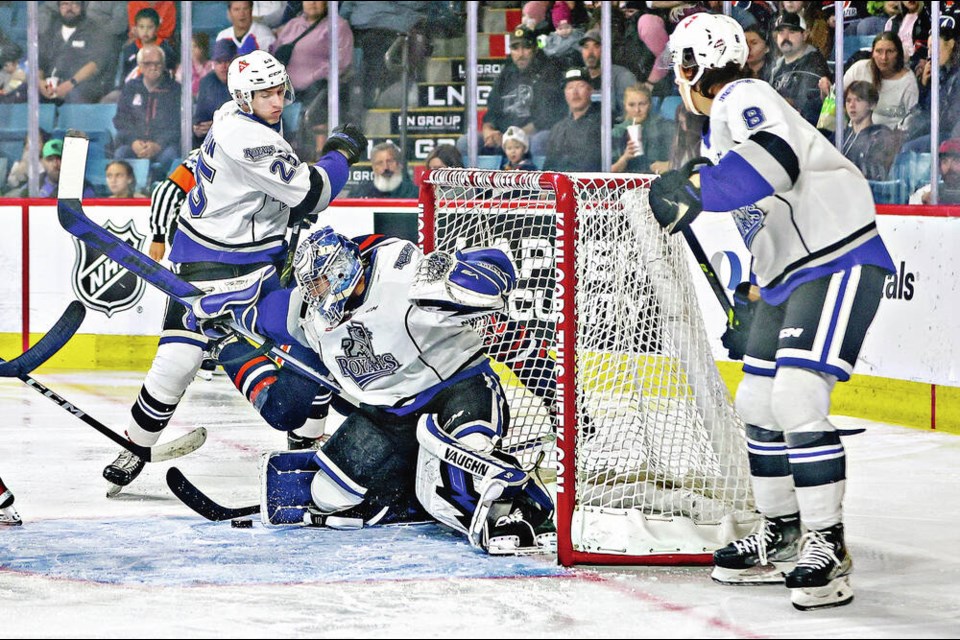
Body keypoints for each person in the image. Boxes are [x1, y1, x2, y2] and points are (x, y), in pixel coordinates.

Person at [649, 13, 895, 611]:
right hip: (789, 277)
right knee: (756, 402)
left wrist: (701, 191)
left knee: (794, 398)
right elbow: (767, 215)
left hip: (838, 258)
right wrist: (754, 294)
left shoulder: (742, 95)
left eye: (677, 69)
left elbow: (777, 160)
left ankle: (827, 545)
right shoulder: (719, 133)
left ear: (692, 67)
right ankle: (783, 533)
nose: (675, 82)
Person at [101, 50, 368, 495]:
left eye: (279, 89)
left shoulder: (231, 112)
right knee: (177, 363)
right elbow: (311, 195)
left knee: (310, 336)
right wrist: (341, 154)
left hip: (255, 262)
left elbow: (196, 162)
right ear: (245, 97)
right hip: (210, 266)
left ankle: (308, 438)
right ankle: (136, 445)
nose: (276, 100)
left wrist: (179, 182)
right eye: (264, 93)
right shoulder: (251, 138)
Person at [194, 227, 555, 554]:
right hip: (389, 416)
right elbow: (258, 313)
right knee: (325, 495)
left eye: (318, 283)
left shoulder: (407, 281)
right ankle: (416, 493)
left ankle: (526, 503)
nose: (312, 294)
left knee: (470, 465)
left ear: (340, 271)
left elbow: (494, 277)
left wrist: (479, 274)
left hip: (456, 388)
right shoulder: (310, 313)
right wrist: (217, 310)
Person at [467, 25, 565, 158]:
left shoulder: (548, 72)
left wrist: (512, 137)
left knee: (539, 141)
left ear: (535, 49)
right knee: (465, 142)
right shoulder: (506, 73)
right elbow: (491, 112)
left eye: (526, 47)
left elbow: (544, 119)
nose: (520, 54)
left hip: (531, 134)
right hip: (503, 136)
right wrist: (488, 132)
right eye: (515, 48)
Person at [113, 44, 182, 182]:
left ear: (163, 65)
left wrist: (158, 145)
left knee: (171, 156)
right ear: (139, 65)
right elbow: (121, 120)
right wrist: (133, 142)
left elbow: (178, 125)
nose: (153, 67)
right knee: (121, 154)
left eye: (157, 63)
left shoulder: (175, 90)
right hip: (135, 145)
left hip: (164, 146)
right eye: (148, 63)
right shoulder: (130, 88)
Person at [38, 0, 117, 104]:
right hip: (52, 84)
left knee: (75, 95)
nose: (69, 8)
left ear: (82, 6)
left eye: (74, 3)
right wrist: (39, 82)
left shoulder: (94, 30)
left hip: (81, 84)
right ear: (59, 7)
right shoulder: (51, 29)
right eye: (64, 4)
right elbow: (40, 62)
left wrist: (71, 83)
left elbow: (94, 64)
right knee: (25, 92)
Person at [843, 32, 919, 130]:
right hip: (855, 134)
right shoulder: (859, 68)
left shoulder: (908, 81)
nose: (884, 57)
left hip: (888, 139)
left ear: (898, 54)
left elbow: (912, 119)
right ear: (872, 53)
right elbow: (837, 97)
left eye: (890, 51)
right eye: (879, 51)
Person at [768, 12, 831, 126]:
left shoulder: (814, 62)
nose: (785, 37)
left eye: (792, 32)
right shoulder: (777, 66)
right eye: (781, 32)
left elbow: (809, 109)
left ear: (805, 34)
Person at [543, 67, 602, 172]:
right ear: (565, 93)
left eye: (580, 86)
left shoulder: (601, 123)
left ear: (591, 90)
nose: (575, 92)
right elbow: (548, 167)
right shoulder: (558, 129)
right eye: (570, 87)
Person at [839, 81, 898, 181]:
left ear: (872, 105)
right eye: (848, 101)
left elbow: (876, 175)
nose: (852, 105)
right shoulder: (843, 135)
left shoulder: (881, 136)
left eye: (858, 100)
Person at [611, 84, 674, 174]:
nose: (637, 110)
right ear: (625, 106)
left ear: (650, 104)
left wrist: (668, 165)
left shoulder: (665, 127)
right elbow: (608, 172)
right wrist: (625, 158)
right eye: (631, 105)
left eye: (642, 104)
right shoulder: (617, 133)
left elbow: (683, 160)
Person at [578, 27, 638, 117]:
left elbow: (632, 115)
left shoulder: (623, 77)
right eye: (586, 47)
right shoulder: (578, 77)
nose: (590, 53)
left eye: (596, 46)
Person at [192, 39, 238, 147]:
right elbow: (200, 115)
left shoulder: (246, 82)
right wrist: (197, 128)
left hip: (236, 141)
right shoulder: (206, 82)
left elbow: (247, 121)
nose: (223, 67)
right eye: (218, 62)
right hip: (210, 140)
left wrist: (218, 126)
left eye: (227, 61)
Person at [31, 138, 96, 199]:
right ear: (43, 162)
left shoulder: (82, 189)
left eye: (59, 158)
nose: (55, 164)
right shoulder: (34, 185)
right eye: (50, 159)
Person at [351, 142, 418, 199]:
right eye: (379, 163)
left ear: (399, 164)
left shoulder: (414, 193)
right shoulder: (360, 193)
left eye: (390, 161)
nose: (385, 167)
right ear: (374, 167)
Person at [909, 137, 960, 204]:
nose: (949, 167)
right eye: (945, 161)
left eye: (956, 161)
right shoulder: (926, 192)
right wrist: (923, 202)